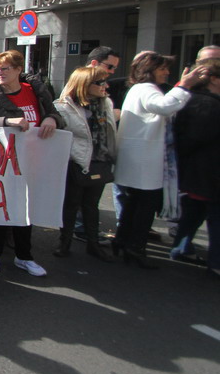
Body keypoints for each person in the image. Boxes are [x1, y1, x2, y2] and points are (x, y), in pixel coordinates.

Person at [0, 50, 63, 277]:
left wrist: (52, 118)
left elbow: (55, 115)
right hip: (1, 163)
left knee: (26, 210)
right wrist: (6, 121)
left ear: (19, 70)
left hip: (33, 162)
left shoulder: (36, 92)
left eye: (5, 68)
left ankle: (24, 256)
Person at [113, 51, 206, 268]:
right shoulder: (146, 89)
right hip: (144, 160)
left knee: (134, 204)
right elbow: (164, 106)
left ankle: (124, 241)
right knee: (144, 206)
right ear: (150, 70)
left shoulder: (140, 89)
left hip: (139, 158)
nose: (166, 72)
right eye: (162, 68)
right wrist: (184, 85)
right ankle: (134, 248)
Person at [52, 67, 116, 262]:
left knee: (91, 206)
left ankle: (93, 244)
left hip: (99, 161)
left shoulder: (105, 104)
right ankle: (65, 243)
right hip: (76, 163)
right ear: (84, 84)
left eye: (105, 82)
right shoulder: (64, 107)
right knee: (71, 205)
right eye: (99, 82)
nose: (105, 86)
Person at [170, 57, 220, 273]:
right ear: (214, 80)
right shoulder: (206, 103)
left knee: (194, 211)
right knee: (212, 216)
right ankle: (216, 263)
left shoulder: (199, 100)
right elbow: (195, 137)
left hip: (201, 171)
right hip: (208, 171)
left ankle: (181, 247)